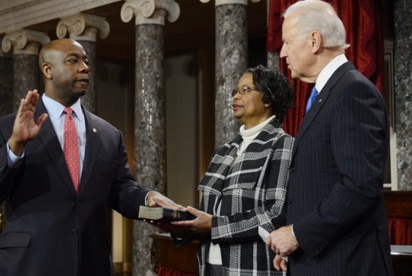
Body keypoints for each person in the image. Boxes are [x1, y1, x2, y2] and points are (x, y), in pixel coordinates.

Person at [0, 38, 182, 275]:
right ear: (47, 69)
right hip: (29, 264)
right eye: (73, 60)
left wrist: (148, 197)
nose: (85, 67)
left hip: (90, 263)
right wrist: (15, 146)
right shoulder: (9, 128)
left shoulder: (109, 135)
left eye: (86, 61)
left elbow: (121, 189)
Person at [266, 1, 394, 275]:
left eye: (288, 41)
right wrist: (297, 247)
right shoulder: (327, 93)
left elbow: (359, 187)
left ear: (314, 41)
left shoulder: (352, 92)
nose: (283, 52)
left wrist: (298, 234)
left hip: (346, 264)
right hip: (320, 259)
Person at [167, 65, 294, 275]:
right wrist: (182, 225)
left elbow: (276, 214)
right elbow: (207, 215)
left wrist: (214, 225)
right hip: (209, 264)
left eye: (246, 90)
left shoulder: (282, 145)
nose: (236, 96)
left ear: (268, 99)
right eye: (235, 91)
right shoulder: (223, 151)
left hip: (251, 268)